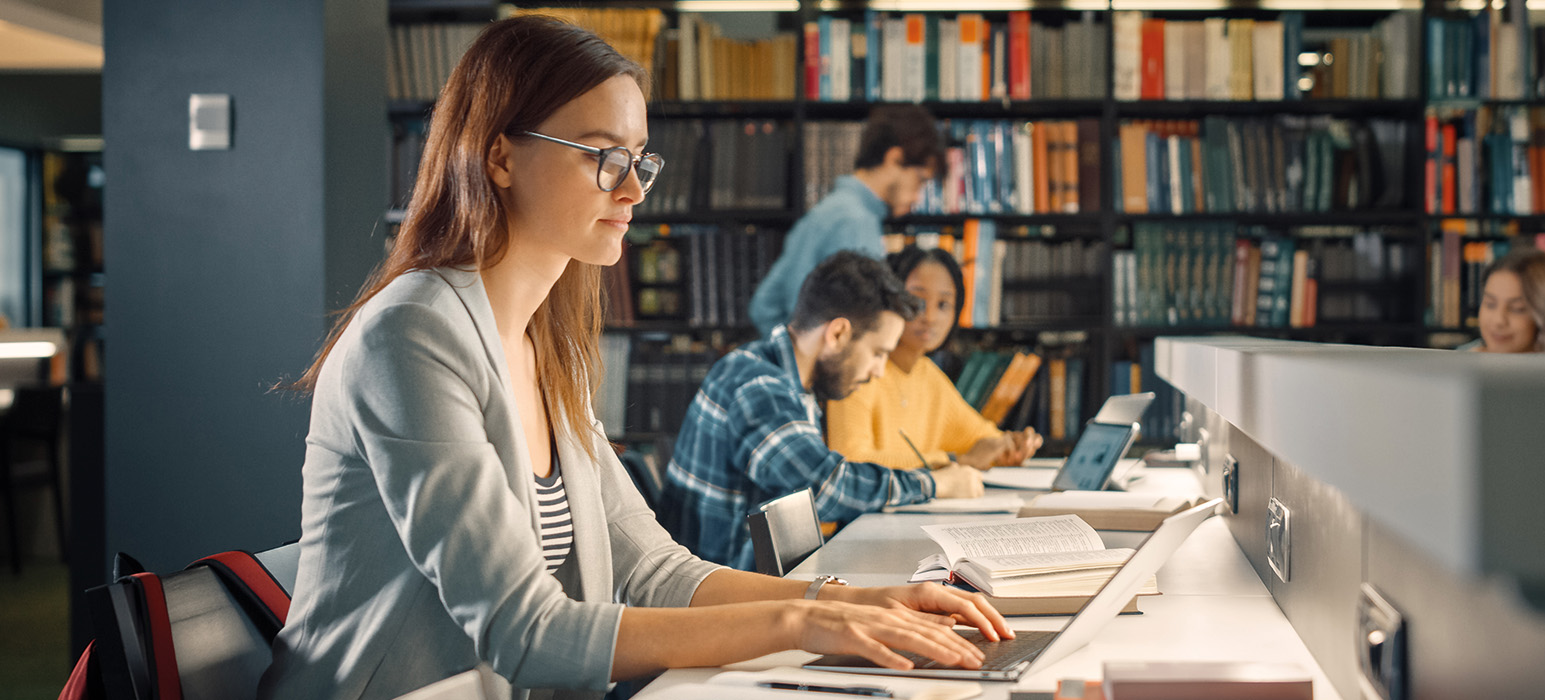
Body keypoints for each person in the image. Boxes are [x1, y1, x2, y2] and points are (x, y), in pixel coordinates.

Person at [261, 18, 1009, 700]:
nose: (632, 190)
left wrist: (853, 601)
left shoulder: (547, 345)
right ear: (500, 157)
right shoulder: (412, 335)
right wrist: (802, 625)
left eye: (639, 161)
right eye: (603, 157)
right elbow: (526, 632)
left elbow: (655, 570)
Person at [663, 250, 987, 572]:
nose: (879, 371)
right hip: (724, 590)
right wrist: (933, 484)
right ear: (838, 334)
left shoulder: (790, 381)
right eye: (878, 353)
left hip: (760, 580)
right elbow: (822, 487)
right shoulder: (757, 385)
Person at [827, 246, 1043, 470]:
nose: (930, 317)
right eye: (917, 302)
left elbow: (982, 439)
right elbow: (851, 462)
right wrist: (955, 461)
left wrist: (1011, 446)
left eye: (943, 305)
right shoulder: (859, 370)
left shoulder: (928, 375)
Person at [748, 105, 945, 336]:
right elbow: (855, 328)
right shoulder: (854, 221)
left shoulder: (836, 210)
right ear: (894, 158)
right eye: (920, 180)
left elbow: (765, 305)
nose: (917, 197)